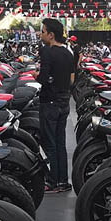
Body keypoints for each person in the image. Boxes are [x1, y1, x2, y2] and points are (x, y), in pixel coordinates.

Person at [37, 18, 75, 192]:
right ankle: (63, 181)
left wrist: (36, 76)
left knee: (50, 143)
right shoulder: (68, 53)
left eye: (43, 31)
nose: (41, 34)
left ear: (51, 35)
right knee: (60, 143)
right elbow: (72, 79)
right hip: (64, 102)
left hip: (50, 102)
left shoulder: (47, 51)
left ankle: (52, 181)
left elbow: (43, 78)